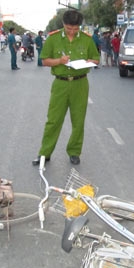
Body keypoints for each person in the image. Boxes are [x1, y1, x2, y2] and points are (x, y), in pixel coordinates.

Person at [32, 10, 100, 166]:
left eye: (76, 29)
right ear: (63, 24)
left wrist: (90, 61)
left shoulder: (86, 39)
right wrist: (60, 61)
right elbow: (44, 60)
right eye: (69, 28)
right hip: (60, 84)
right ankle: (45, 153)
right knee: (53, 120)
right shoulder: (53, 38)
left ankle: (74, 152)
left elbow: (96, 59)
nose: (73, 32)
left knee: (78, 120)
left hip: (80, 84)